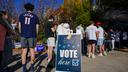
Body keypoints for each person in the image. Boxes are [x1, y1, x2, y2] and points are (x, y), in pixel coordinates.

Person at [19, 3, 39, 72]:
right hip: (32, 35)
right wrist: (36, 35)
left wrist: (21, 33)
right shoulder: (35, 16)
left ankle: (24, 69)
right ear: (32, 9)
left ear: (26, 8)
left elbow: (19, 27)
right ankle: (32, 68)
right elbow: (37, 28)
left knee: (24, 51)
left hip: (23, 34)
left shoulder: (21, 15)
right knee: (32, 50)